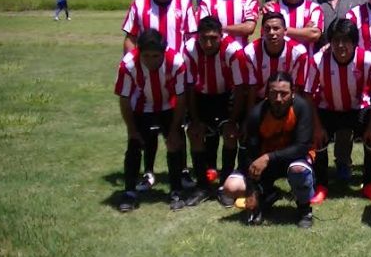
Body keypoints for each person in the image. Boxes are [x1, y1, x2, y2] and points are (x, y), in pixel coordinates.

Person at [121, 0, 197, 191]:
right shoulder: (139, 5)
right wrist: (135, 64)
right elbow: (130, 38)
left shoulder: (184, 6)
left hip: (175, 74)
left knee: (178, 124)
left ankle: (182, 171)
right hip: (146, 73)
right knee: (148, 124)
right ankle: (148, 172)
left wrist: (185, 67)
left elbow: (191, 39)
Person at [303, 18, 371, 204]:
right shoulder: (317, 61)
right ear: (330, 42)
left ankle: (370, 184)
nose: (340, 45)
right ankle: (321, 186)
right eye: (335, 40)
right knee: (317, 138)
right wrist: (317, 127)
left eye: (346, 40)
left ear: (354, 42)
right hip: (328, 109)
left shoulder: (368, 60)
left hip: (357, 110)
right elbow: (308, 94)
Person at [222, 71, 316, 229]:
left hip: (293, 159)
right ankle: (268, 194)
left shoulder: (302, 108)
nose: (278, 99)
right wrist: (251, 190)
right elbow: (249, 153)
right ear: (267, 94)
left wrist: (268, 157)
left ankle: (304, 209)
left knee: (298, 170)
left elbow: (302, 147)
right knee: (231, 187)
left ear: (293, 94)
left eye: (284, 94)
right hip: (265, 163)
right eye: (273, 93)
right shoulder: (256, 114)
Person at [115, 29, 188, 212]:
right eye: (146, 55)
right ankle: (130, 192)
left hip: (168, 104)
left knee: (174, 143)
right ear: (139, 52)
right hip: (142, 105)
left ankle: (176, 190)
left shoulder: (176, 62)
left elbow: (181, 98)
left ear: (163, 52)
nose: (150, 60)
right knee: (134, 145)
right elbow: (124, 99)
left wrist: (173, 129)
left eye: (156, 56)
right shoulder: (128, 64)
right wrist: (132, 129)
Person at [183, 16, 250, 207]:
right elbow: (188, 86)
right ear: (198, 37)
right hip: (201, 96)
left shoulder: (233, 50)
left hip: (226, 96)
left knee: (230, 135)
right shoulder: (189, 49)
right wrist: (194, 118)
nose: (208, 43)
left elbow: (239, 88)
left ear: (222, 36)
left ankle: (224, 186)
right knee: (195, 134)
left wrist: (233, 120)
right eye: (204, 38)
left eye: (213, 38)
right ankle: (202, 186)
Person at [313, 0, 369, 176]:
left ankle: (343, 161)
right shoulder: (314, 0)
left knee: (348, 114)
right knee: (326, 114)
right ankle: (317, 164)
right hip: (323, 65)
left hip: (354, 65)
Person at [243, 12, 309, 110]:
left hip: (286, 101)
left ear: (285, 31)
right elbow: (252, 87)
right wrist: (251, 117)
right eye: (267, 29)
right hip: (260, 101)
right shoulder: (250, 52)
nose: (271, 32)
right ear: (262, 31)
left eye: (276, 28)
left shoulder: (299, 53)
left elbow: (296, 88)